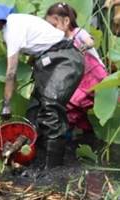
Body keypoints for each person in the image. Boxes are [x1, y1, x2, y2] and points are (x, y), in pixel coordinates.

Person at [0, 0, 84, 168]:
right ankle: (35, 160)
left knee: (50, 111)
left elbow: (11, 73)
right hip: (49, 62)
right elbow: (38, 46)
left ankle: (53, 170)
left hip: (64, 60)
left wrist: (6, 104)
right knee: (34, 112)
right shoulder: (16, 22)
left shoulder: (12, 29)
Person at [45, 2, 108, 146]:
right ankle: (74, 140)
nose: (51, 29)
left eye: (53, 25)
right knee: (71, 109)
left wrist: (83, 47)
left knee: (102, 104)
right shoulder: (57, 42)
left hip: (94, 77)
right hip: (77, 81)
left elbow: (90, 41)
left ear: (66, 21)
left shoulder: (78, 33)